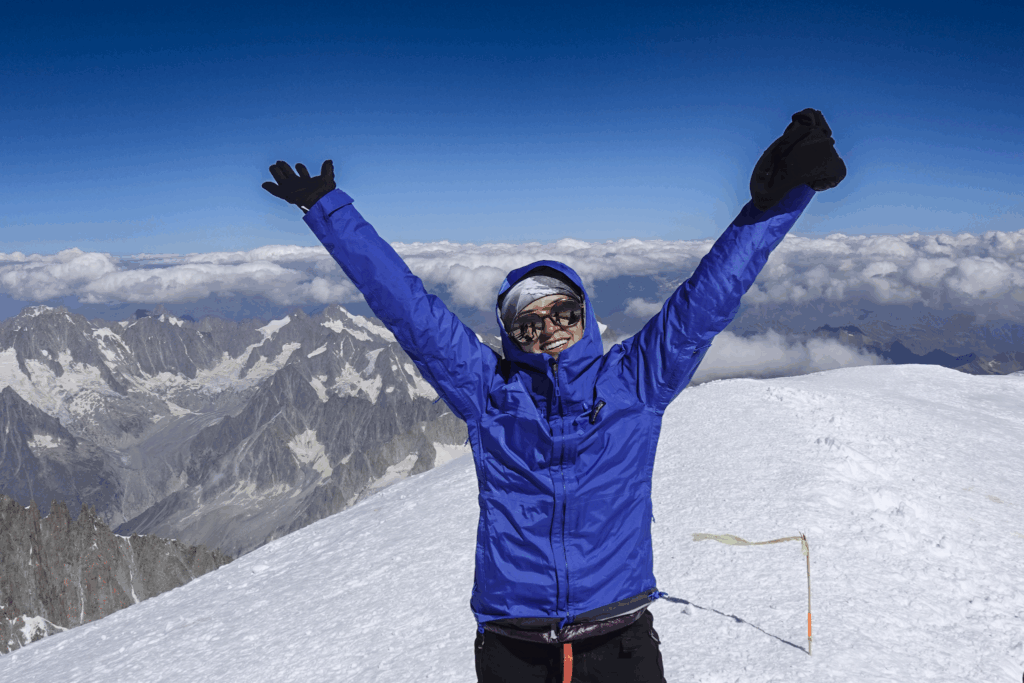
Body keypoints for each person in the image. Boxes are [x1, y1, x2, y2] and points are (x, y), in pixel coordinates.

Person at [262, 108, 846, 683]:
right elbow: (410, 310)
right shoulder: (490, 393)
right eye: (526, 321)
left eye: (562, 311)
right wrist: (329, 210)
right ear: (510, 336)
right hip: (514, 647)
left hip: (619, 638)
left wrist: (785, 196)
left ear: (584, 314)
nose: (547, 328)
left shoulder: (636, 381)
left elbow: (709, 296)